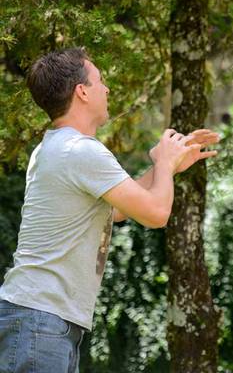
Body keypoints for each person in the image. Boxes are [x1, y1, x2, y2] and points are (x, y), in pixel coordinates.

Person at [0, 48, 220, 372]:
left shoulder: (54, 147)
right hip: (40, 321)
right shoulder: (80, 151)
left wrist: (168, 168)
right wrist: (162, 161)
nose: (107, 89)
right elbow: (157, 214)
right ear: (82, 91)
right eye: (100, 81)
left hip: (41, 319)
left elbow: (116, 210)